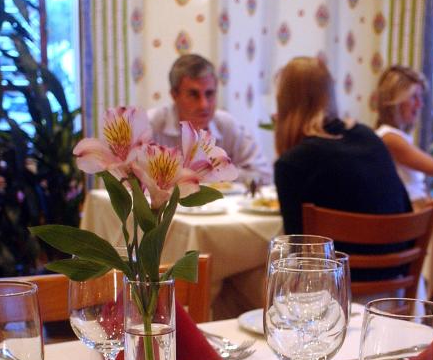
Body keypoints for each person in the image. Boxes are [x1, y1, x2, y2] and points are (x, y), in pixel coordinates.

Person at [273, 57, 412, 282]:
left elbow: (297, 255)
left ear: (284, 104)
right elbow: (405, 206)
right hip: (396, 282)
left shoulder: (292, 163)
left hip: (334, 293)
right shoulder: (370, 137)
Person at [147, 54, 272, 184]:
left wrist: (219, 172)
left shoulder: (227, 125)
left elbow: (264, 175)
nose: (204, 105)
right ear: (174, 95)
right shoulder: (150, 125)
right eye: (193, 94)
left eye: (210, 94)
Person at [374, 65, 433, 208]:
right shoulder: (389, 137)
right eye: (414, 97)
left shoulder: (396, 136)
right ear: (396, 102)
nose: (420, 104)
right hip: (408, 218)